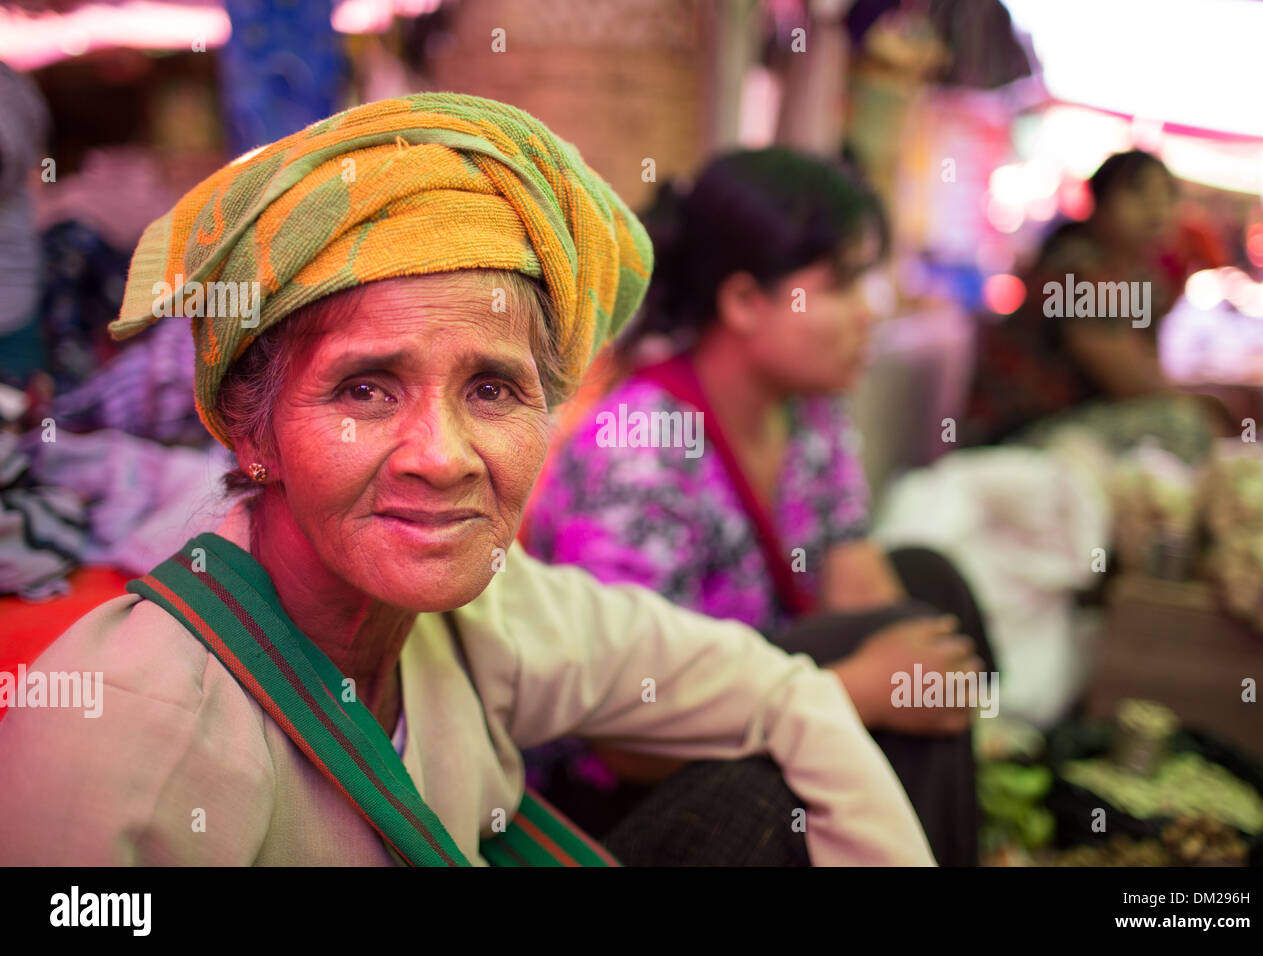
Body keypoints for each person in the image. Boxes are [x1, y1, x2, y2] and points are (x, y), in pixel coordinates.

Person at [0, 95, 934, 867]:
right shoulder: (134, 732)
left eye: (493, 388)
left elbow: (785, 694)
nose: (441, 456)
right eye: (364, 389)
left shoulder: (488, 611)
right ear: (252, 430)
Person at [524, 147, 995, 866]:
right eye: (841, 284)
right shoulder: (643, 449)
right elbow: (623, 734)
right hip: (622, 792)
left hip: (755, 703)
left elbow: (861, 589)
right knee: (780, 786)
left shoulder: (810, 413)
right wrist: (848, 696)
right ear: (744, 302)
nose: (872, 311)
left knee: (929, 593)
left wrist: (903, 671)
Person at [964, 149, 1230, 457]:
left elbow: (1145, 367)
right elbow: (1128, 382)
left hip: (1067, 430)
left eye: (1167, 195)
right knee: (1184, 423)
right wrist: (1203, 400)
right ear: (1100, 204)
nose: (1156, 209)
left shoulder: (1137, 275)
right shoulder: (1076, 268)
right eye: (1139, 192)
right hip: (1016, 440)